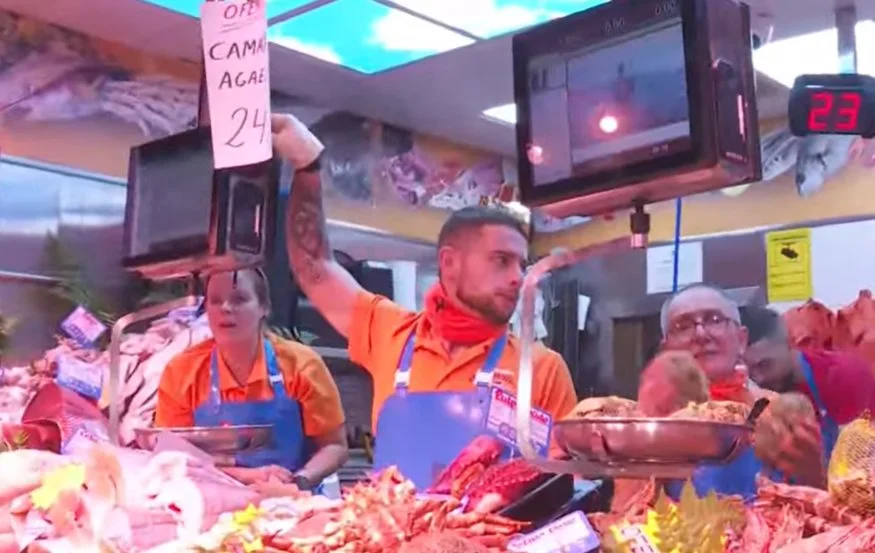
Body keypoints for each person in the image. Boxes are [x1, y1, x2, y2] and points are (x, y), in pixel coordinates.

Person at [271, 112, 578, 490]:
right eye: (501, 260)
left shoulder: (543, 369)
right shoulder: (388, 332)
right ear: (449, 264)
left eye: (522, 263)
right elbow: (313, 266)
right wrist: (308, 166)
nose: (518, 276)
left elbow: (567, 485)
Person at [155, 268, 349, 491]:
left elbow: (334, 446)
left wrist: (299, 481)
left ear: (263, 307)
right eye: (215, 301)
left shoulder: (302, 365)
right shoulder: (181, 371)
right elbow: (174, 457)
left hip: (292, 499)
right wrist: (249, 476)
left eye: (239, 299)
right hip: (212, 498)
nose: (226, 308)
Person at [657, 284, 821, 497]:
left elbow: (821, 503)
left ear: (741, 340)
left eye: (715, 320)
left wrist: (813, 472)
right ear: (666, 352)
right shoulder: (647, 427)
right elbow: (628, 516)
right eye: (683, 326)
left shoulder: (782, 413)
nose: (701, 334)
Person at [742, 306, 875, 465]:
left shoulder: (843, 376)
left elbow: (859, 466)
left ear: (791, 343)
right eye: (746, 369)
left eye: (764, 365)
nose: (757, 378)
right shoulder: (742, 395)